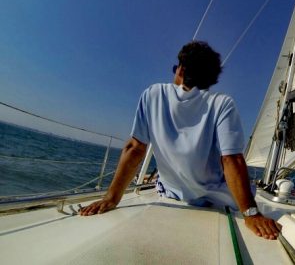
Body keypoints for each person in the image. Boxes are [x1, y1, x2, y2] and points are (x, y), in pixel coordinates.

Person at [80, 41, 281, 240]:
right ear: (211, 79)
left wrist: (111, 198)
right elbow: (231, 160)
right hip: (218, 201)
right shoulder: (222, 104)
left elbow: (134, 148)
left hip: (170, 195)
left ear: (181, 70)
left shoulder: (153, 94)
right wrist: (251, 213)